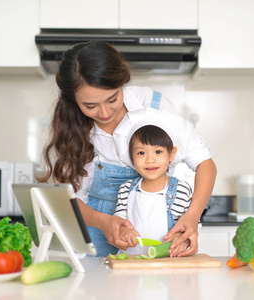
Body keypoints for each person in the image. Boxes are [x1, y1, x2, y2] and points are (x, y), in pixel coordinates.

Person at [38, 40, 217, 257]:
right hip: (94, 237)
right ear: (74, 101)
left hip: (158, 239)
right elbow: (67, 197)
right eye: (90, 106)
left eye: (112, 99)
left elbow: (205, 163)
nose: (104, 113)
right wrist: (103, 222)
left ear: (121, 82)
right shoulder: (71, 129)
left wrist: (192, 215)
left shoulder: (152, 106)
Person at [114, 123, 193, 256]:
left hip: (169, 262)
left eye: (158, 152)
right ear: (132, 158)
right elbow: (118, 222)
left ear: (172, 154)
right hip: (132, 261)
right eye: (141, 153)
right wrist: (124, 231)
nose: (150, 160)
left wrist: (181, 239)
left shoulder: (182, 189)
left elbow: (189, 226)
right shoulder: (126, 189)